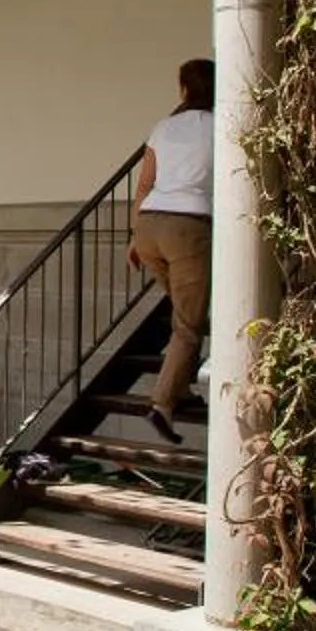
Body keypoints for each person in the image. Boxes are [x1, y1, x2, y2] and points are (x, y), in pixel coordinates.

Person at [128, 57, 215, 442]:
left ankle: (180, 386)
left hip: (150, 227)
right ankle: (162, 403)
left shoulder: (164, 127)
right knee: (189, 324)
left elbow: (144, 183)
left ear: (183, 89)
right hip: (189, 226)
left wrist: (134, 236)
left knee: (184, 312)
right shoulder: (222, 125)